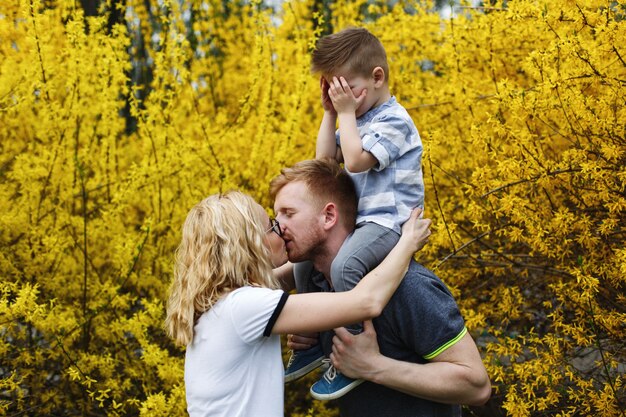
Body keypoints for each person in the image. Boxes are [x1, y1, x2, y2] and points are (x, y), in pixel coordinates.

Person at [164, 190, 431, 417]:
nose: (281, 231)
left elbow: (283, 278)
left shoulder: (219, 303)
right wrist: (406, 243)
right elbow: (366, 302)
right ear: (248, 244)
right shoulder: (244, 306)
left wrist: (313, 244)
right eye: (271, 225)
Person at [270, 159, 491, 414]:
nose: (279, 225)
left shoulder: (408, 288)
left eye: (288, 213)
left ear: (329, 216)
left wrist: (373, 366)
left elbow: (476, 386)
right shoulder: (319, 285)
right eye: (276, 215)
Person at [285, 26, 425, 398]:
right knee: (305, 260)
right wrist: (331, 114)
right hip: (361, 224)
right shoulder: (354, 119)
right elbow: (323, 163)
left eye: (346, 89)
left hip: (389, 223)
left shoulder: (395, 120)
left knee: (345, 266)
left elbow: (357, 161)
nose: (343, 98)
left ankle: (357, 348)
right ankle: (314, 340)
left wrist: (345, 114)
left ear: (377, 77)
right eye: (334, 91)